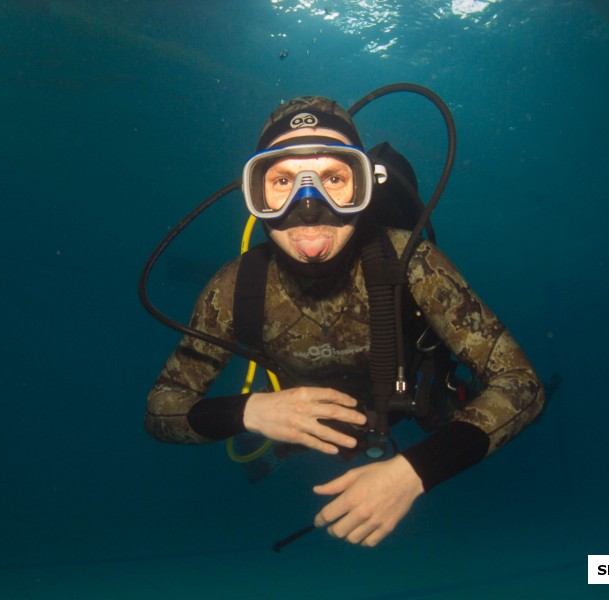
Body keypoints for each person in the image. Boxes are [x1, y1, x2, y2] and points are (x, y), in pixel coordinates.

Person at [146, 95, 545, 548]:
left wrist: (415, 472)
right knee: (303, 438)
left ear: (364, 186)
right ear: (255, 194)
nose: (309, 205)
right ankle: (291, 442)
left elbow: (521, 384)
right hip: (305, 419)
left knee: (458, 406)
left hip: (407, 401)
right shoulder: (232, 289)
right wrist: (249, 411)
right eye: (282, 181)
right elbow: (161, 409)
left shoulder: (412, 262)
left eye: (334, 178)